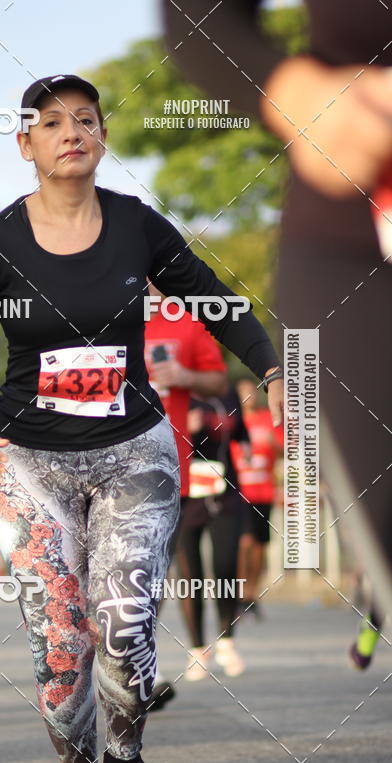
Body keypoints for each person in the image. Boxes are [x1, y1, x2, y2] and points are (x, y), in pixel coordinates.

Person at [0, 73, 283, 763]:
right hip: (31, 465)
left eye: (86, 119)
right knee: (61, 642)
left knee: (123, 624)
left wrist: (275, 367)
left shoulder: (136, 225)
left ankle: (128, 762)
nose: (71, 132)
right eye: (52, 124)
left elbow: (215, 301)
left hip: (134, 454)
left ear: (103, 137)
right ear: (26, 144)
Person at [161, 0, 392, 623]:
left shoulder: (195, 330)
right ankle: (216, 633)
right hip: (358, 234)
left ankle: (233, 617)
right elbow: (199, 16)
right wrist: (292, 89)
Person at [144, 284, 227, 710]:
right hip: (93, 461)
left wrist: (187, 378)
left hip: (163, 467)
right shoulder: (92, 309)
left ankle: (142, 670)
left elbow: (219, 379)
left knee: (146, 570)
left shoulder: (185, 322)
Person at [176, 385, 250, 680]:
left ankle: (227, 641)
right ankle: (196, 649)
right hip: (186, 496)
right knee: (189, 575)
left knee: (226, 566)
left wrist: (246, 445)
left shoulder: (228, 394)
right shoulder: (176, 393)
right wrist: (183, 429)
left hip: (225, 493)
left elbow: (241, 428)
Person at [232, 377, 284, 620]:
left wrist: (273, 443)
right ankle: (239, 595)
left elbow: (287, 448)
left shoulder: (267, 419)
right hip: (239, 493)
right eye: (242, 393)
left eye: (250, 392)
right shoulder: (232, 421)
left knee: (260, 545)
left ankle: (252, 593)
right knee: (244, 541)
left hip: (264, 492)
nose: (247, 397)